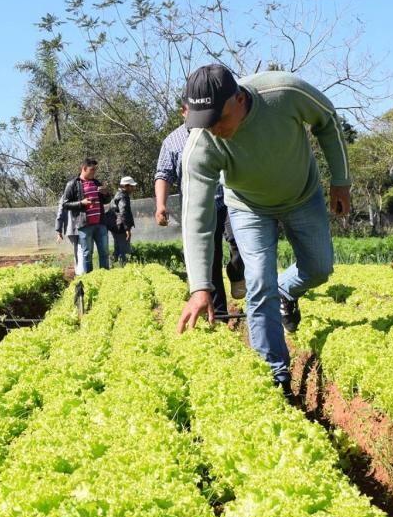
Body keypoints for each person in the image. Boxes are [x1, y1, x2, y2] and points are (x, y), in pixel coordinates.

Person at [176, 64, 352, 398]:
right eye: (204, 122)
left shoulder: (283, 92)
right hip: (248, 207)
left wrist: (341, 181)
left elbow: (327, 119)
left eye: (218, 118)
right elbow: (196, 219)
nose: (212, 129)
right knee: (258, 281)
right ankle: (275, 373)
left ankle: (286, 290)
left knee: (319, 268)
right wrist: (199, 286)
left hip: (303, 195)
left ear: (239, 99)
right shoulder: (201, 144)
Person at [155, 107, 245, 316]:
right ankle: (219, 313)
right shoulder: (172, 141)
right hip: (199, 208)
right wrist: (161, 205)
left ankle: (236, 270)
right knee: (209, 261)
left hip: (229, 200)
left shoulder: (218, 129)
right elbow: (163, 174)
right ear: (183, 111)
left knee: (239, 242)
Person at [56, 158, 110, 274]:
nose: (94, 172)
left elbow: (106, 201)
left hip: (100, 224)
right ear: (84, 168)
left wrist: (106, 194)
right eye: (92, 169)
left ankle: (105, 277)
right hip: (85, 225)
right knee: (87, 254)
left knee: (104, 252)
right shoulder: (72, 184)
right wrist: (82, 203)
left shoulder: (97, 183)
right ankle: (89, 279)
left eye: (95, 169)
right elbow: (65, 204)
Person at [109, 176, 138, 266]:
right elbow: (123, 212)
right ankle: (124, 268)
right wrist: (127, 229)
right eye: (132, 186)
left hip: (116, 226)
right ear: (126, 186)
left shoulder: (118, 194)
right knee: (125, 251)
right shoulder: (123, 197)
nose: (133, 188)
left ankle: (112, 267)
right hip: (121, 227)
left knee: (117, 249)